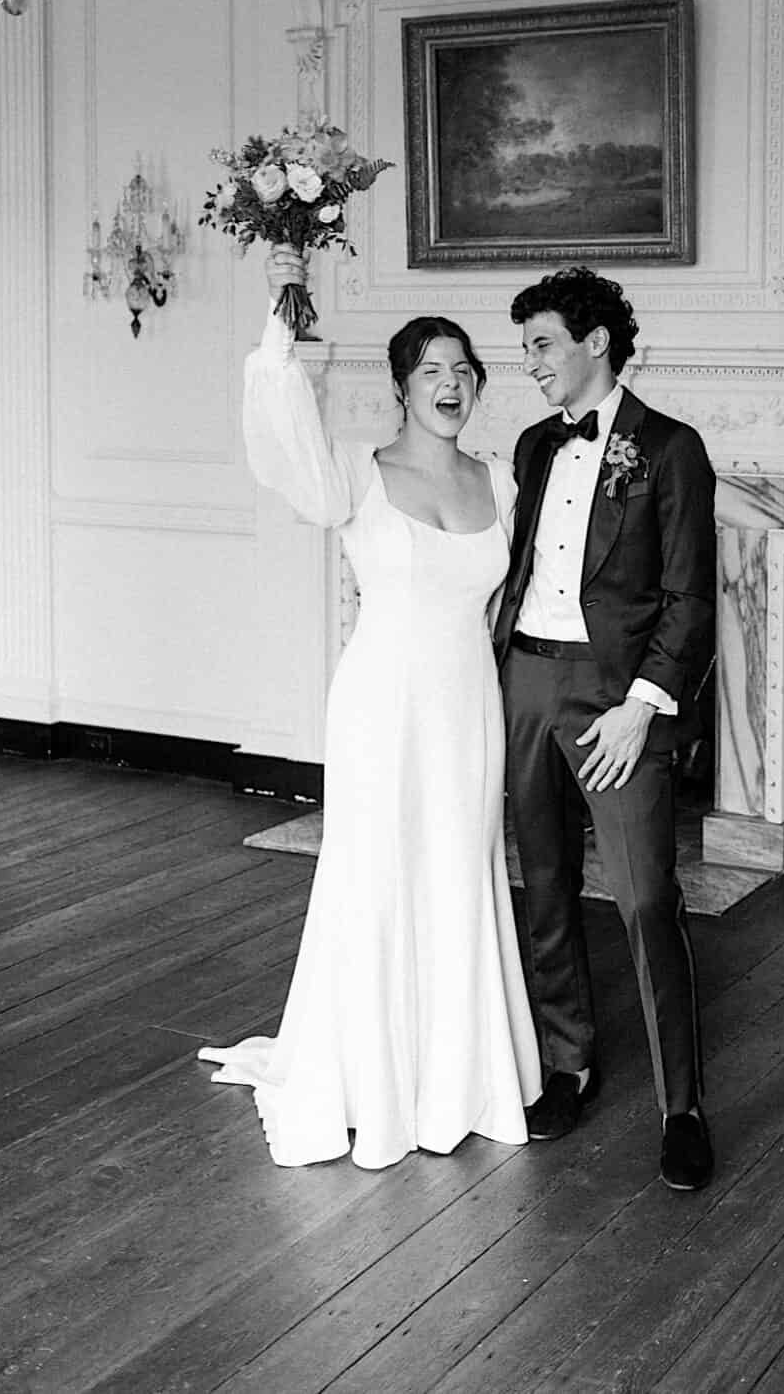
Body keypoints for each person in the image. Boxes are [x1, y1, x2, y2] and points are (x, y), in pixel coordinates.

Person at [199, 245, 541, 1165]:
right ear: (402, 386)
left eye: (465, 370)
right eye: (432, 369)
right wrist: (282, 321)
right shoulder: (352, 472)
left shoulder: (501, 482)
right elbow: (279, 432)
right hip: (380, 705)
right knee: (379, 874)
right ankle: (371, 1082)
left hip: (467, 704)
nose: (452, 383)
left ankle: (457, 1078)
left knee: (459, 869)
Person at [496, 266, 718, 1191]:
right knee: (541, 884)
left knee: (642, 899)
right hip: (524, 682)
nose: (531, 365)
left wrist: (641, 706)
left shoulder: (671, 448)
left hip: (619, 700)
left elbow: (691, 597)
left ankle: (682, 1108)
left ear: (594, 342)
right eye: (525, 351)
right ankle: (569, 1065)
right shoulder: (531, 444)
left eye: (542, 345)